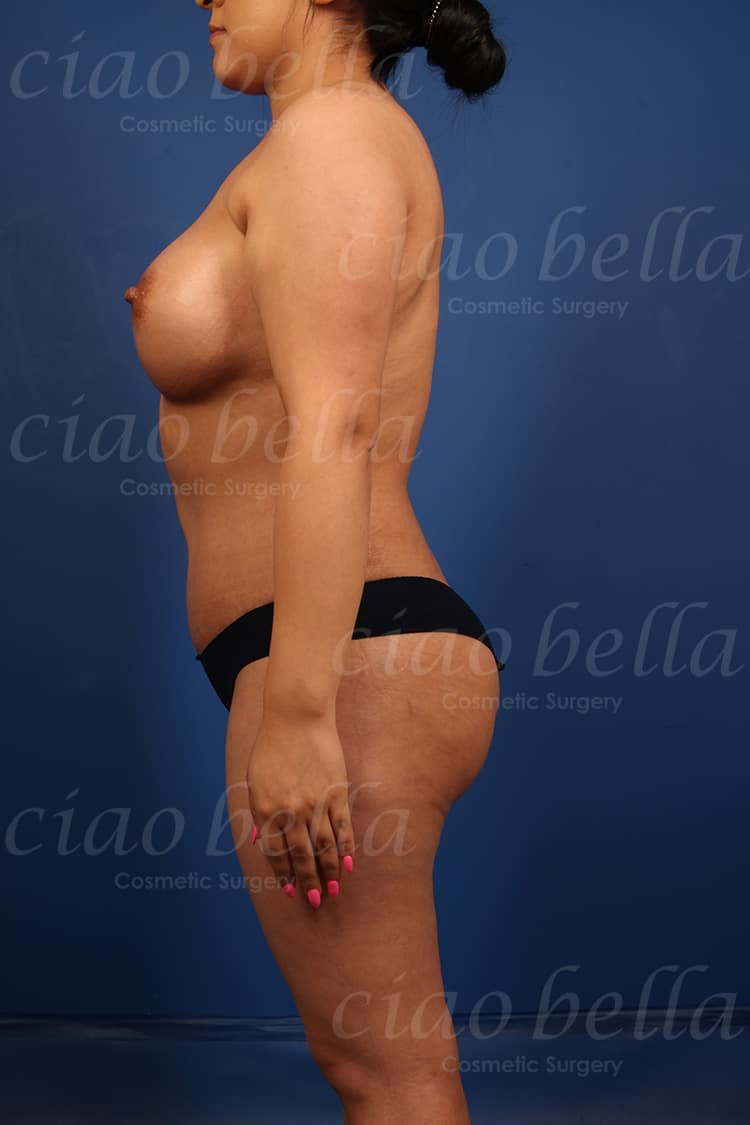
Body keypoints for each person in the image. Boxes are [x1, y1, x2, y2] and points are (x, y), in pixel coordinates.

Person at [124, 1, 507, 1120]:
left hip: (346, 664)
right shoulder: (320, 140)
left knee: (389, 1075)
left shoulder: (333, 136)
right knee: (373, 1069)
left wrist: (299, 713)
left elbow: (336, 426)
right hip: (335, 651)